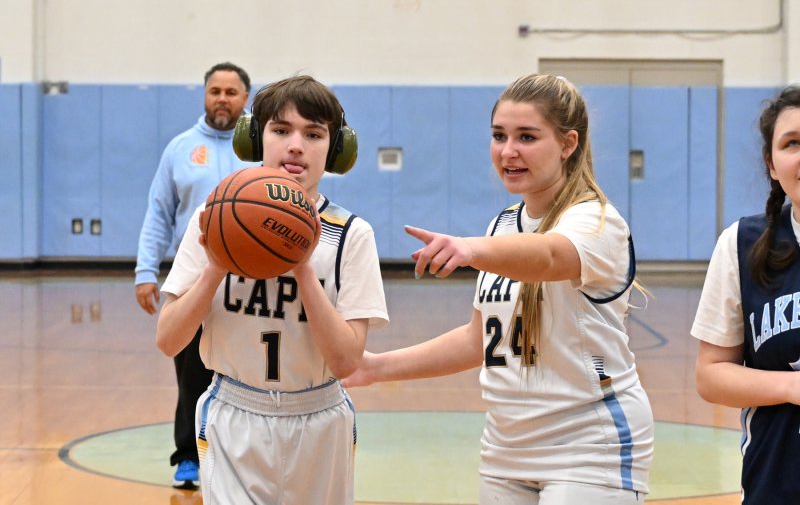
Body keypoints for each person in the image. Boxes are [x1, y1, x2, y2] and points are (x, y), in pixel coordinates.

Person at [345, 74, 654, 504]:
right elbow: (478, 339)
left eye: (527, 137)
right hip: (506, 446)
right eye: (499, 135)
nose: (508, 151)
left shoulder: (598, 222)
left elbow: (549, 256)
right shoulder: (502, 225)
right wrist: (375, 367)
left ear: (568, 144)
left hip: (588, 443)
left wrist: (469, 248)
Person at [155, 75, 389, 504]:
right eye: (281, 130)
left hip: (320, 418)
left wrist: (303, 269)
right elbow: (169, 340)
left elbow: (345, 361)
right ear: (254, 139)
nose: (296, 146)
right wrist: (216, 267)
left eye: (313, 134)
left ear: (336, 150)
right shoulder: (213, 218)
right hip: (234, 414)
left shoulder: (352, 235)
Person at [134, 61, 253, 489]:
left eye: (231, 92)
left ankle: (239, 453)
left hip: (250, 277)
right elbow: (159, 213)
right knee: (190, 371)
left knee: (244, 366)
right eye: (215, 91)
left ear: (246, 98)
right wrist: (146, 270)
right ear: (205, 95)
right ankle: (187, 455)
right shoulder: (180, 148)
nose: (222, 99)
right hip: (192, 275)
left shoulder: (260, 149)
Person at [692, 85, 800, 504]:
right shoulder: (741, 244)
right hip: (775, 486)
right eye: (792, 143)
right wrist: (791, 387)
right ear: (772, 164)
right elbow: (711, 375)